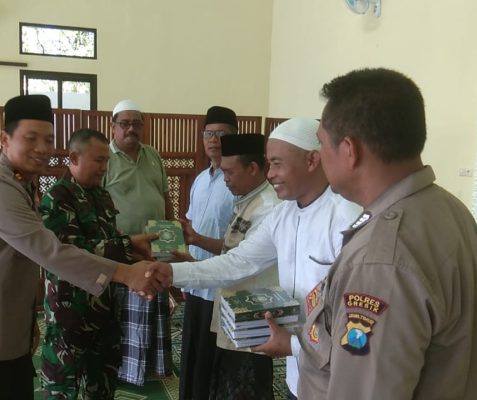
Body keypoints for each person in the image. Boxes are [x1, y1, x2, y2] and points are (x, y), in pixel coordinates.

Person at [0, 95, 164, 400]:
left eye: (49, 139)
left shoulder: (22, 183)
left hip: (8, 333)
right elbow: (50, 252)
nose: (42, 148)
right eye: (31, 139)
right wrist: (125, 273)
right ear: (4, 139)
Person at [293, 68, 477, 399]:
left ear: (349, 150)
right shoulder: (448, 208)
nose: (320, 155)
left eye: (321, 143)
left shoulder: (379, 260)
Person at [151, 117, 360, 400]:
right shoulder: (284, 214)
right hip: (296, 370)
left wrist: (294, 345)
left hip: (338, 376)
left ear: (312, 160)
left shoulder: (347, 219)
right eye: (268, 163)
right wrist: (171, 272)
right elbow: (238, 261)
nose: (269, 174)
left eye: (276, 163)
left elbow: (356, 318)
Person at [39, 129, 156, 399]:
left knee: (102, 385)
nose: (104, 168)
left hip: (104, 310)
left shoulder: (102, 196)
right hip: (71, 315)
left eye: (107, 161)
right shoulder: (57, 198)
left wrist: (136, 255)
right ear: (74, 158)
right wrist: (127, 244)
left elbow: (108, 243)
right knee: (62, 389)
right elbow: (71, 252)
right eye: (98, 161)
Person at [103, 99, 174, 385]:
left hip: (156, 247)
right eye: (124, 123)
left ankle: (155, 366)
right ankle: (126, 369)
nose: (131, 129)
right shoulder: (105, 158)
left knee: (155, 309)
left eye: (136, 123)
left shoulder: (152, 154)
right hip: (124, 252)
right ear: (113, 127)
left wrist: (172, 233)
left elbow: (164, 196)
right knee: (127, 312)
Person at [206, 133, 281, 399]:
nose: (225, 178)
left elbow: (238, 264)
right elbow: (231, 250)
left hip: (252, 320)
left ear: (252, 168)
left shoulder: (269, 208)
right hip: (234, 313)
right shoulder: (247, 200)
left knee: (247, 389)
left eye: (229, 172)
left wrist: (175, 273)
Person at [178, 106, 237, 400]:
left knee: (213, 363)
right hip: (196, 282)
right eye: (209, 133)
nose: (214, 140)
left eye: (222, 134)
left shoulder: (238, 182)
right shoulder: (201, 179)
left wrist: (197, 240)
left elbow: (241, 243)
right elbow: (191, 225)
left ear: (234, 137)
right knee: (192, 354)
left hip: (221, 288)